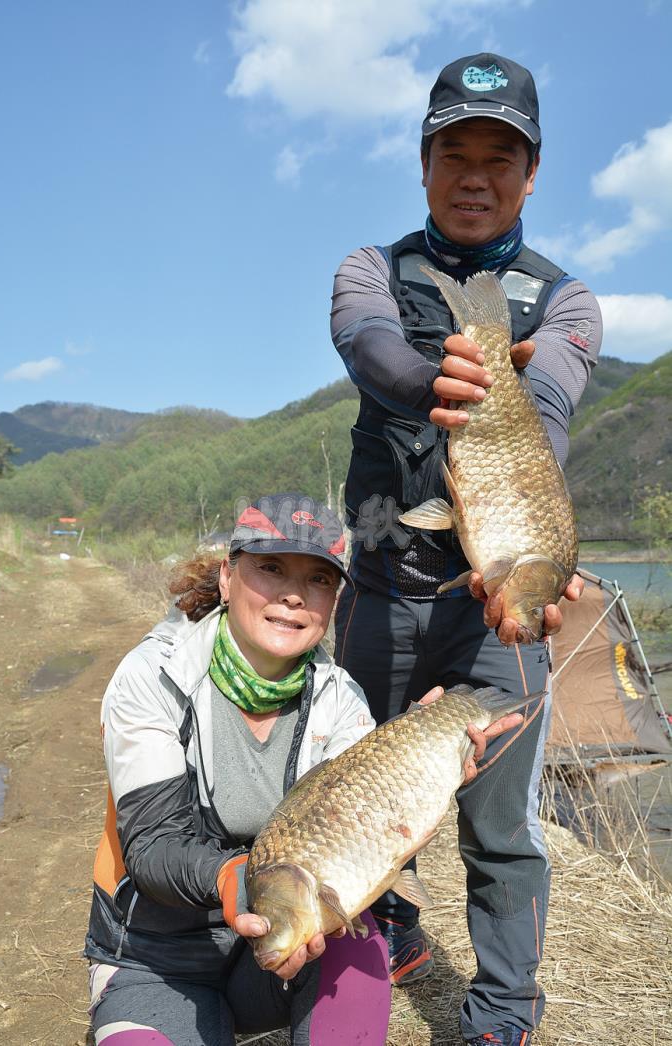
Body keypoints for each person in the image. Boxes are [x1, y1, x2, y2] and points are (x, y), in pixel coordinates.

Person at [331, 53, 602, 1044]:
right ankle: (383, 928)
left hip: (500, 604)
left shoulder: (566, 300)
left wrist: (534, 518)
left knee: (500, 828)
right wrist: (431, 377)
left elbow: (557, 401)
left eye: (501, 156)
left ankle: (499, 1013)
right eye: (455, 152)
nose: (476, 174)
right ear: (422, 162)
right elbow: (371, 347)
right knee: (358, 796)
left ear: (531, 175)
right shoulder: (369, 267)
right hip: (377, 595)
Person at [84, 492, 520, 1046]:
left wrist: (422, 753)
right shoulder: (153, 674)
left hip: (277, 946)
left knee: (360, 942)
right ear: (226, 576)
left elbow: (368, 840)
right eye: (270, 568)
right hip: (156, 958)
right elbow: (153, 848)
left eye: (318, 580)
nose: (293, 595)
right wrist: (247, 884)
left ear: (333, 600)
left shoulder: (341, 699)